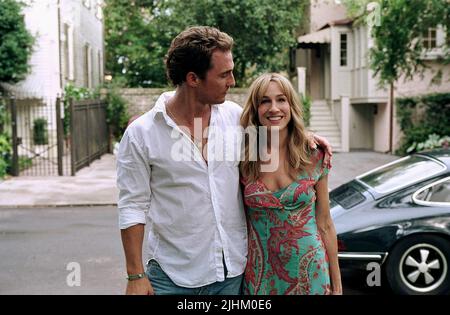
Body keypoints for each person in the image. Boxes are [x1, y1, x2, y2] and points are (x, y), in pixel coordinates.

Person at [116, 26, 332, 295]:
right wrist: (135, 274)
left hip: (233, 274)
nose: (232, 80)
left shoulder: (235, 118)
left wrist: (307, 135)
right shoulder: (142, 134)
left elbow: (274, 129)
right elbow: (132, 206)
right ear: (194, 78)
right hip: (171, 278)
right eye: (224, 74)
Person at [239, 73, 342, 295]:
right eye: (265, 101)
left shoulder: (314, 154)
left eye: (281, 99)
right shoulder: (243, 156)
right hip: (261, 276)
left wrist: (338, 286)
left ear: (291, 105)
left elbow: (325, 223)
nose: (274, 108)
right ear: (255, 109)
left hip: (312, 275)